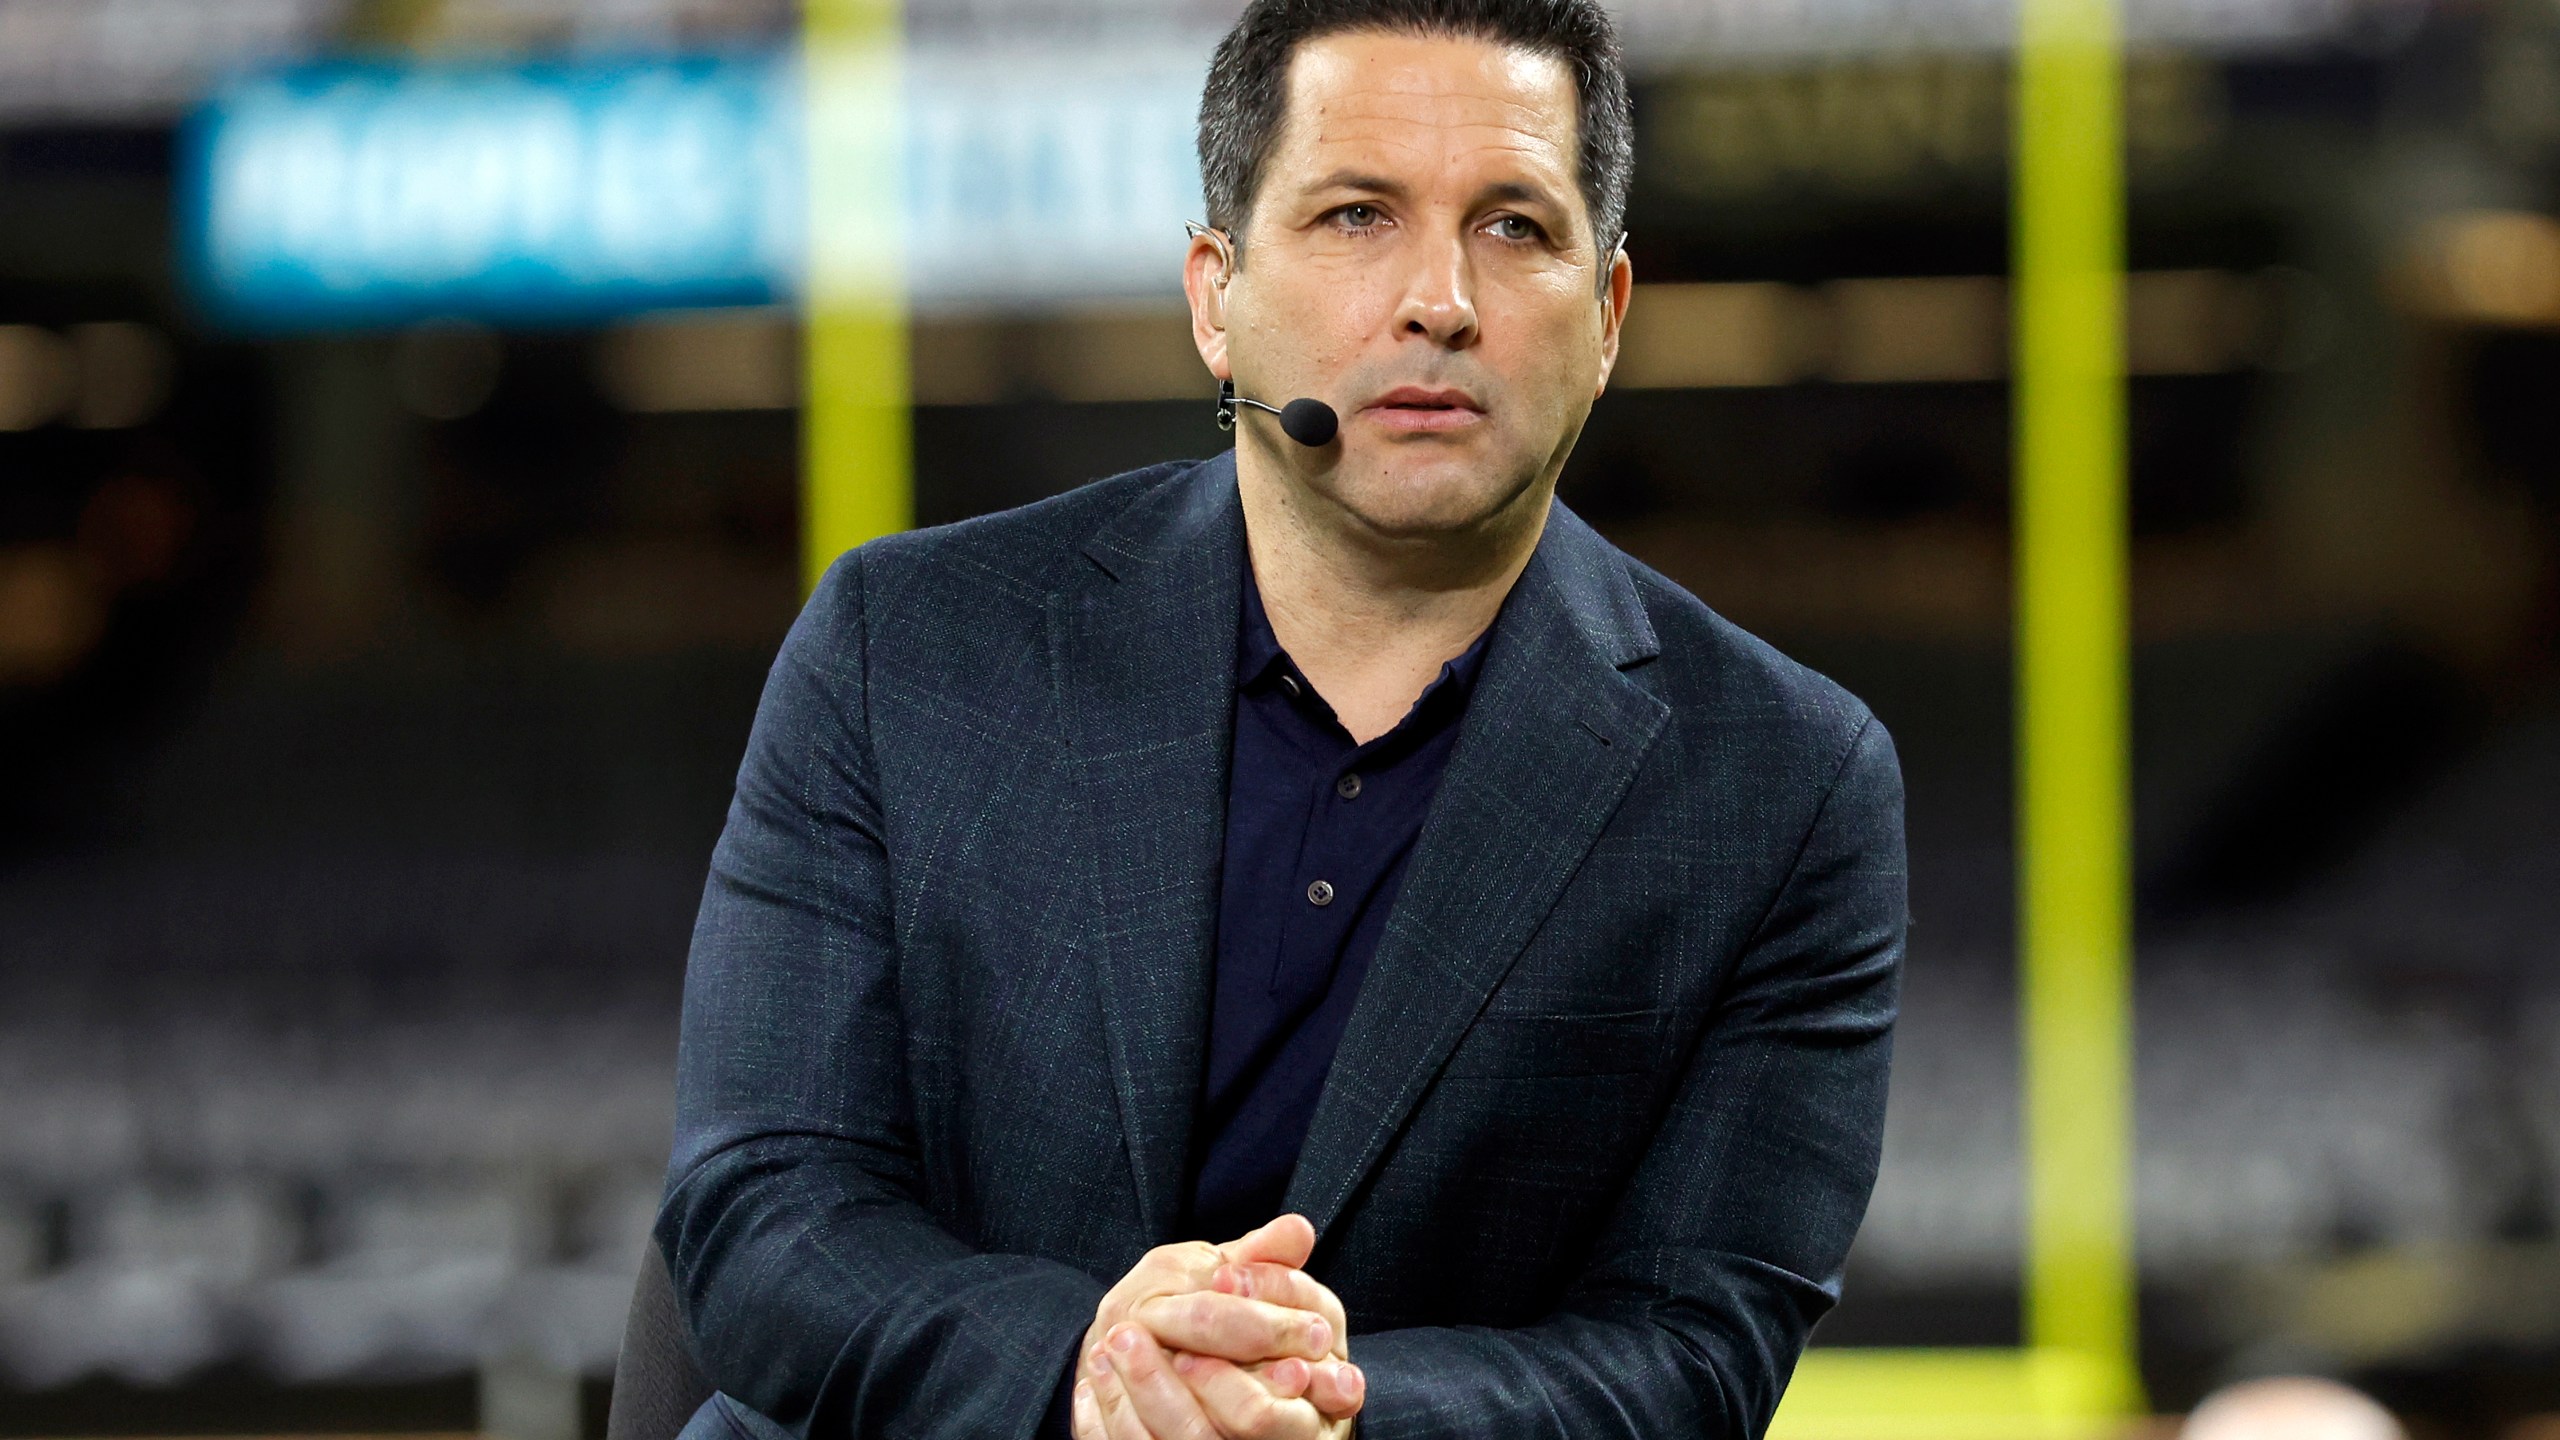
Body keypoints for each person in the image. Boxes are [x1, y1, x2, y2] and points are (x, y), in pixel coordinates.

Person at [655, 1, 1907, 1436]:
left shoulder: (1784, 781)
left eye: (1514, 227)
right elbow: (765, 1211)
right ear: (1214, 297)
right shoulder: (905, 649)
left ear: (1608, 314)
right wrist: (1085, 1374)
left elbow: (1693, 1352)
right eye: (1357, 215)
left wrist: (1309, 1414)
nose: (1440, 297)